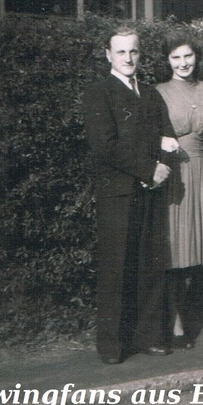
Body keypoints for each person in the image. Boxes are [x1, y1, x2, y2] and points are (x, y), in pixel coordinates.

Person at [82, 26, 176, 364]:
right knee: (116, 268)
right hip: (118, 194)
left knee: (150, 265)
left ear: (141, 54)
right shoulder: (99, 93)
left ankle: (149, 337)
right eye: (121, 52)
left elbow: (167, 134)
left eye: (133, 51)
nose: (128, 58)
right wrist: (148, 169)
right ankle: (112, 345)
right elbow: (105, 146)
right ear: (108, 55)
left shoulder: (150, 94)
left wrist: (161, 167)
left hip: (150, 191)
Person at [155, 31, 203, 348]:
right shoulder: (158, 92)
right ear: (167, 61)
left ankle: (184, 310)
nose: (183, 63)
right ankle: (175, 320)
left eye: (188, 56)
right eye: (175, 57)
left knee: (198, 250)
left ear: (197, 58)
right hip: (174, 176)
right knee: (175, 250)